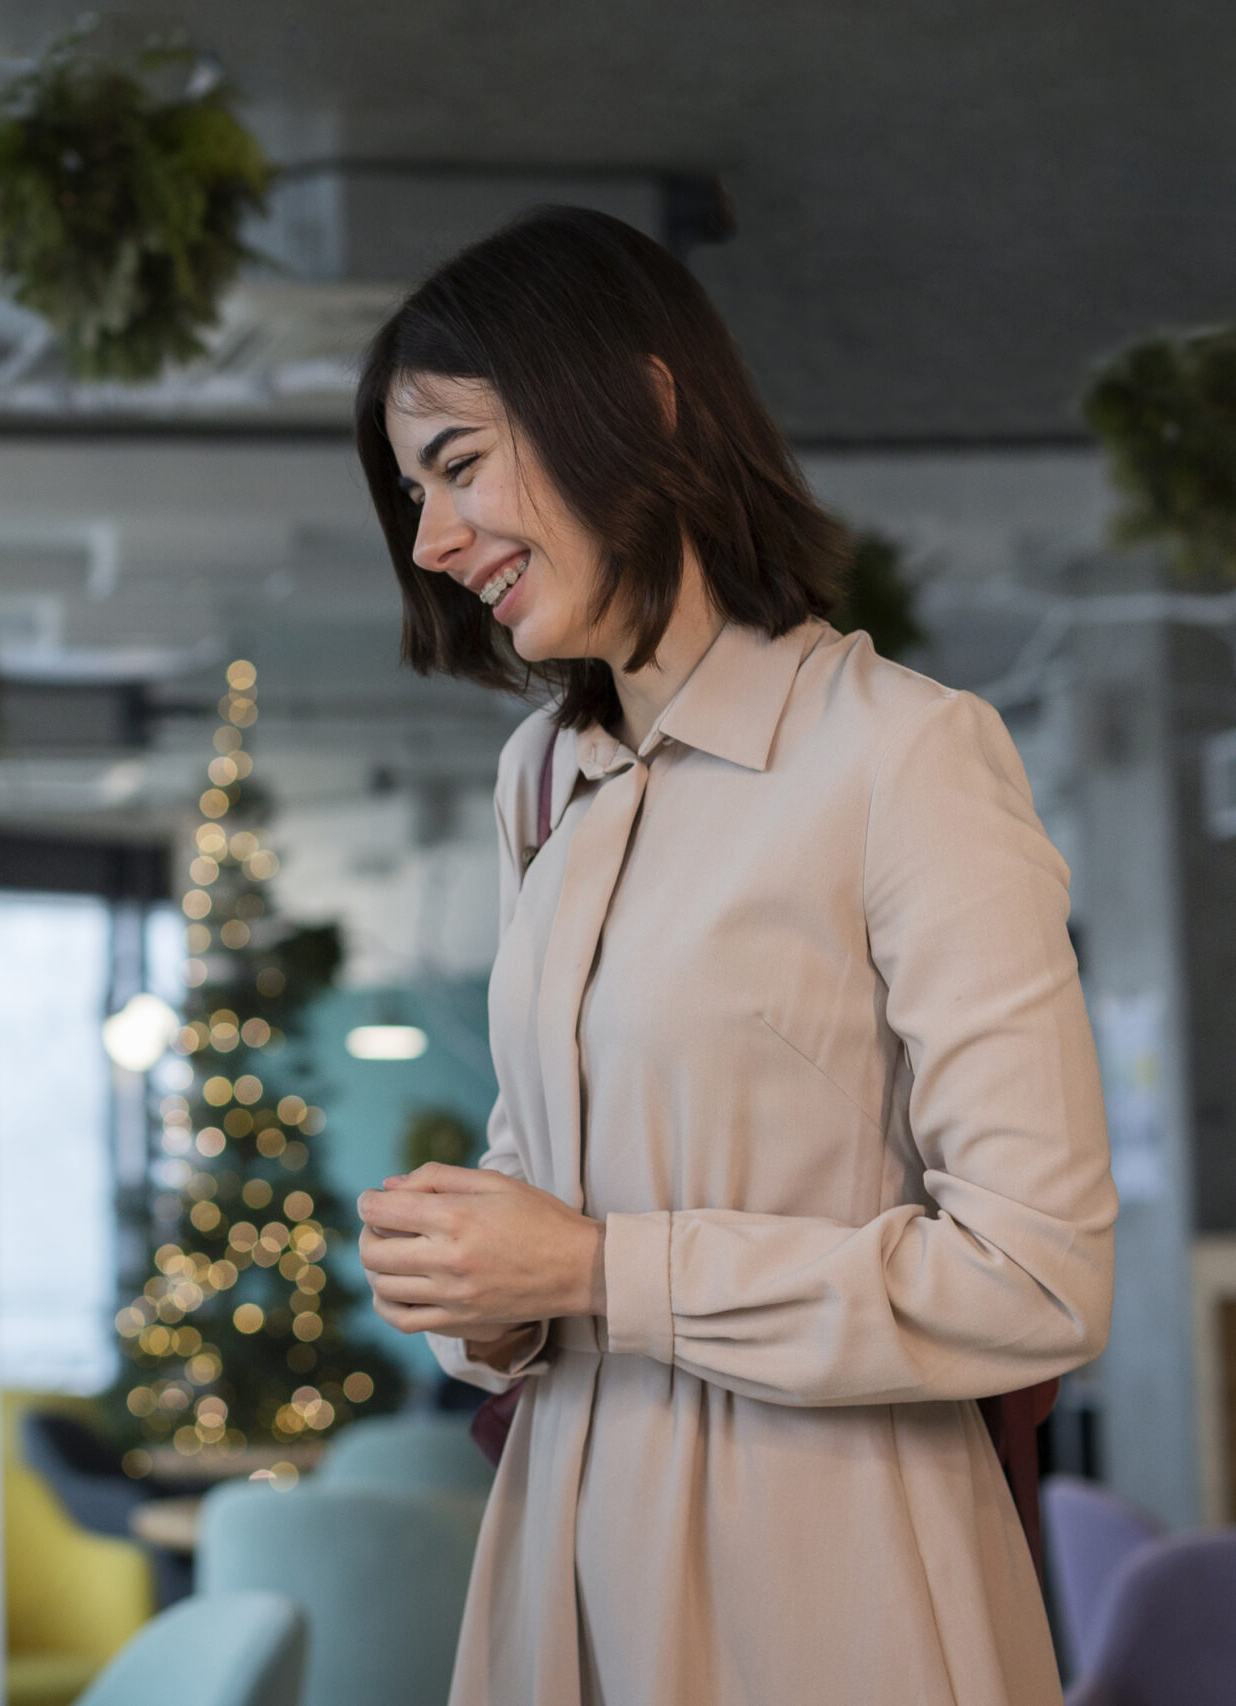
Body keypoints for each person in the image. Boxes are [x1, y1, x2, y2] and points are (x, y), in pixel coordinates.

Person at [349, 207, 1114, 1705]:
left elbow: (1039, 1271)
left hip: (826, 1568)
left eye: (457, 463)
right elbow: (544, 1199)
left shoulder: (906, 756)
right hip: (559, 1545)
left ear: (639, 402)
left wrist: (597, 1267)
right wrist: (490, 1296)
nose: (432, 541)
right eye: (412, 494)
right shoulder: (539, 781)